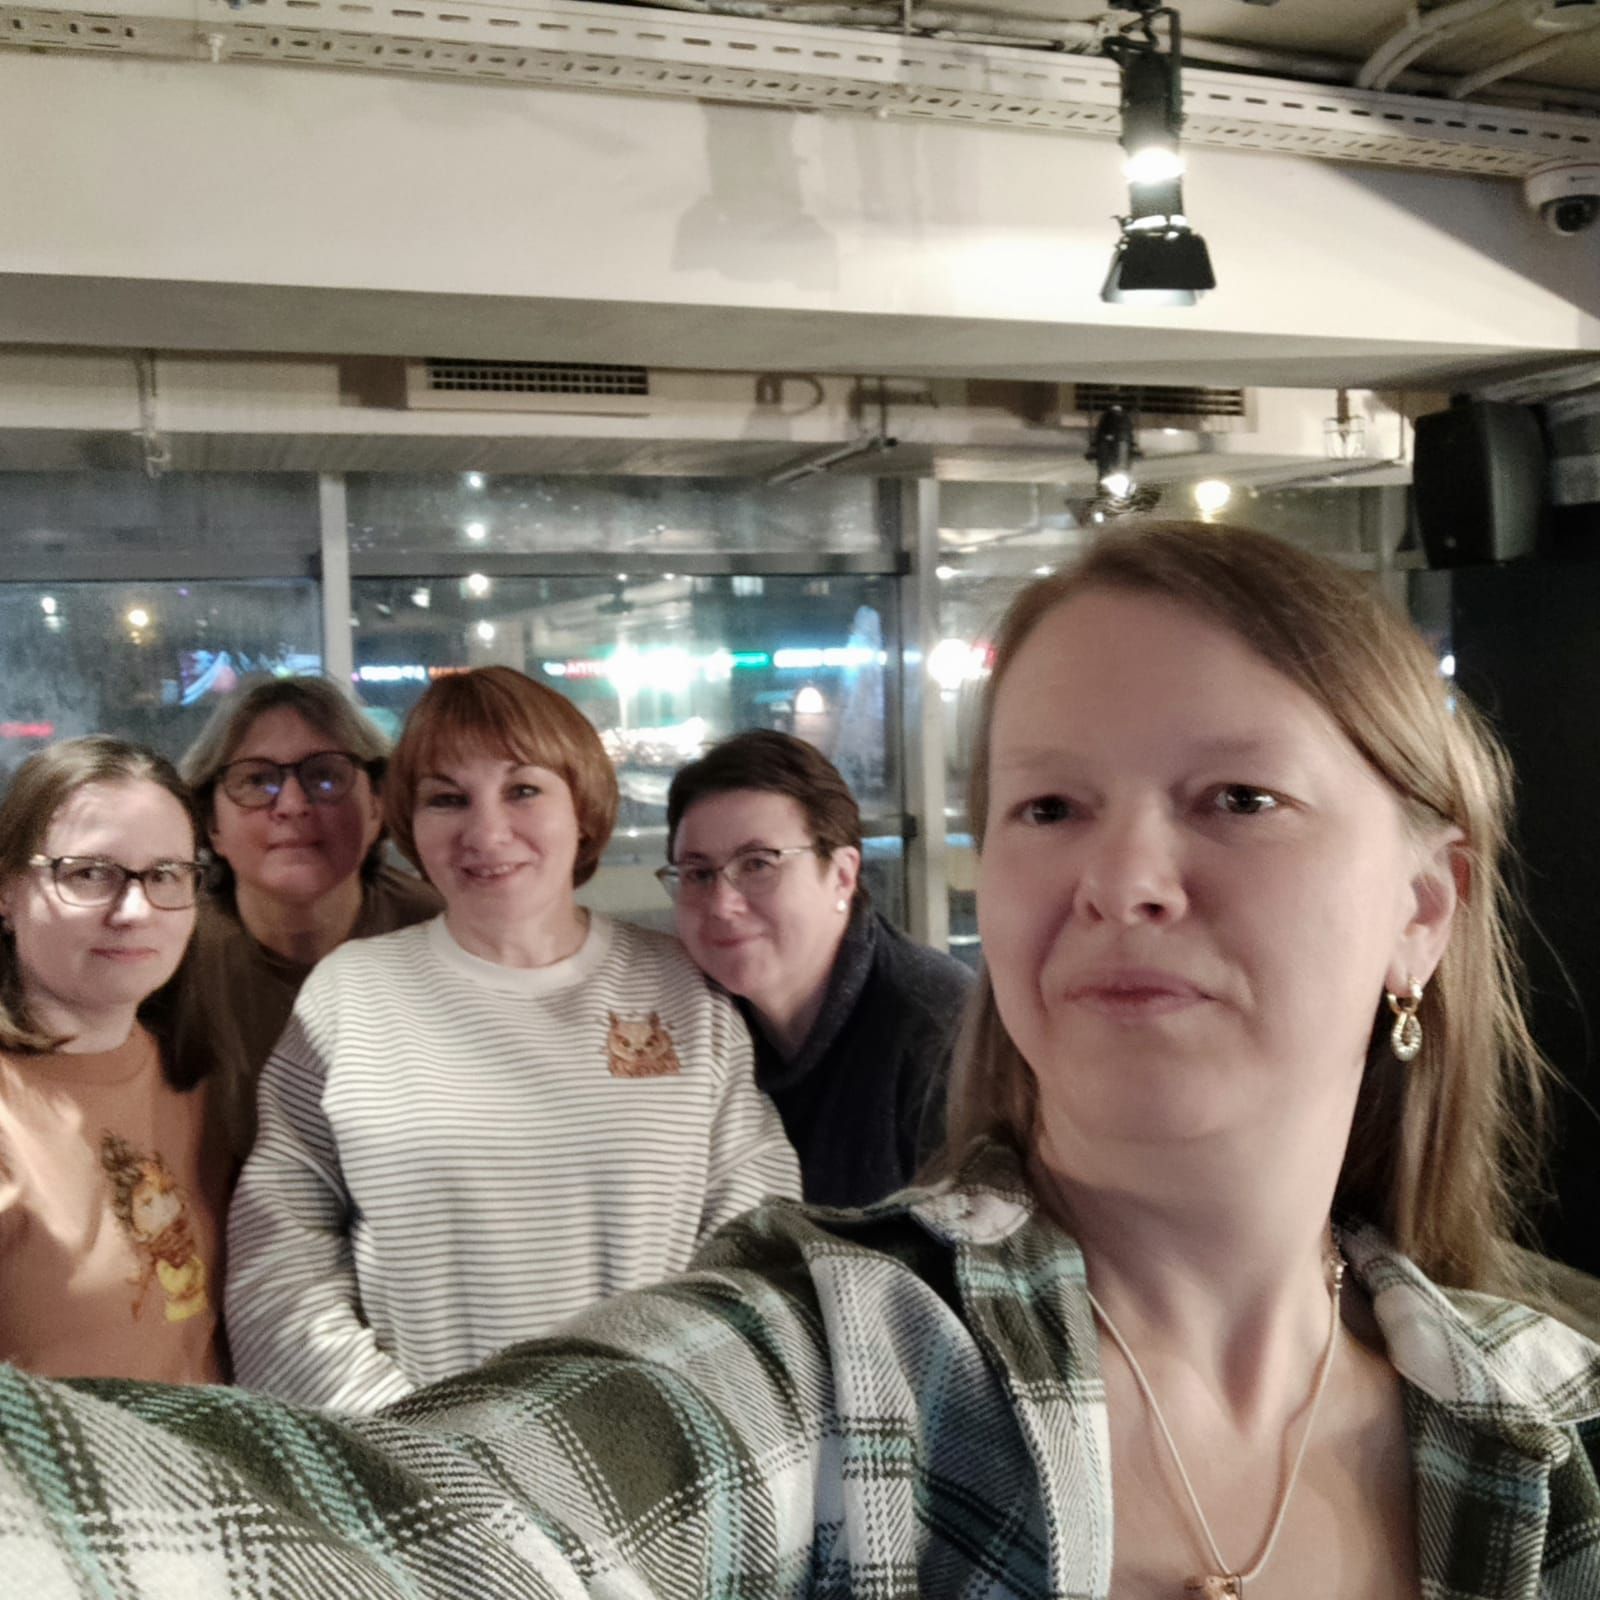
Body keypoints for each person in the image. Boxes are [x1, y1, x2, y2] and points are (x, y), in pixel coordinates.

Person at [6, 522, 1600, 1597]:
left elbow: (731, 1171)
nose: (1121, 878)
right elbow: (386, 1519)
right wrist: (392, 1430)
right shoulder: (849, 1363)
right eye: (1049, 806)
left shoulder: (1552, 1420)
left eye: (1237, 798)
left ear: (1424, 904)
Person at [224, 665, 800, 1412]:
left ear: (583, 808)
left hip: (661, 1448)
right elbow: (279, 1267)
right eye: (446, 799)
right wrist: (412, 1443)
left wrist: (665, 1424)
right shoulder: (350, 995)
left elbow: (757, 1242)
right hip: (423, 1462)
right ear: (409, 824)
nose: (486, 832)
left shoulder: (681, 987)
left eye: (523, 789)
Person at [661, 729, 972, 1205]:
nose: (722, 904)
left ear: (843, 875)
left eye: (758, 864)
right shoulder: (691, 1017)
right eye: (698, 874)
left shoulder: (939, 1032)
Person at [0, 736, 226, 1382]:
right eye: (90, 873)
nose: (135, 910)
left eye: (165, 875)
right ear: (7, 891)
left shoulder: (195, 1080)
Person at [176, 676, 441, 1158]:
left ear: (377, 806)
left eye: (325, 776)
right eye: (256, 781)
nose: (294, 805)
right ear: (211, 824)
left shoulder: (445, 938)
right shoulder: (166, 959)